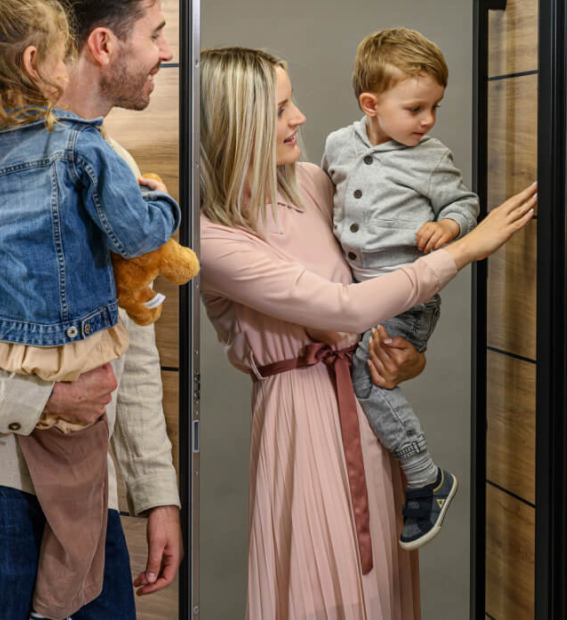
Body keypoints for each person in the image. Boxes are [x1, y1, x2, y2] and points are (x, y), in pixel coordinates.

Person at [198, 46, 536, 619]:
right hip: (300, 421)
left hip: (366, 406)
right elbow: (343, 307)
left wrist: (407, 357)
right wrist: (464, 250)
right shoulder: (213, 237)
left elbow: (378, 274)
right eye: (280, 109)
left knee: (379, 587)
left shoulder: (311, 182)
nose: (300, 116)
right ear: (237, 124)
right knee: (317, 584)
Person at [0, 0, 182, 619]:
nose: (165, 51)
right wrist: (39, 398)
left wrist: (156, 491)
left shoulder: (111, 165)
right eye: (155, 33)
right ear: (101, 45)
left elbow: (132, 339)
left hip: (90, 488)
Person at [320, 27, 478, 551]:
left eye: (435, 107)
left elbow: (465, 203)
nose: (428, 120)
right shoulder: (338, 145)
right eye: (415, 109)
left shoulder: (431, 157)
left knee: (370, 378)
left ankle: (425, 477)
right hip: (358, 296)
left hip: (409, 298)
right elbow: (324, 202)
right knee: (345, 377)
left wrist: (449, 226)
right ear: (371, 104)